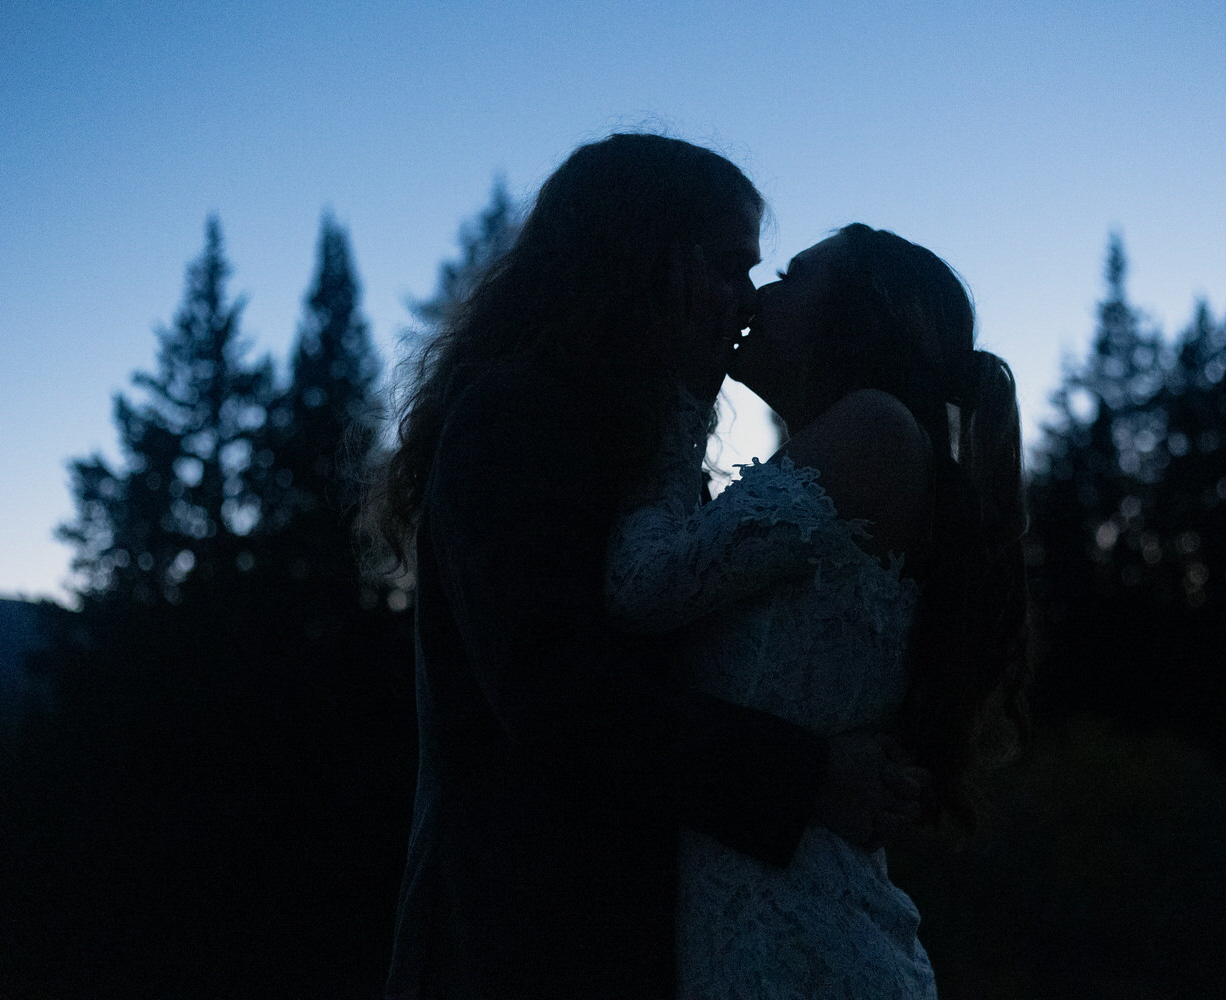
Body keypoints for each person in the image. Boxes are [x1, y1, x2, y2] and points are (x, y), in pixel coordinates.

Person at [374, 136, 923, 999]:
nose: (747, 305)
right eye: (728, 267)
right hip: (526, 952)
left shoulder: (624, 442)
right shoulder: (520, 418)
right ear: (635, 258)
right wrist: (806, 774)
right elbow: (556, 695)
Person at [606, 223, 1030, 997]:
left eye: (796, 276)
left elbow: (644, 584)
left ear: (857, 315)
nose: (761, 293)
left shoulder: (876, 429)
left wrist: (673, 399)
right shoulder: (857, 451)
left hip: (803, 954)